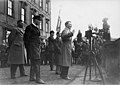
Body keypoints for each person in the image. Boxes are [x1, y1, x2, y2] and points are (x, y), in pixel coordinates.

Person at [24, 15, 46, 84]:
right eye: (39, 20)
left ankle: (32, 77)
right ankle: (38, 79)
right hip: (32, 47)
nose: (40, 22)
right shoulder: (29, 27)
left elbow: (36, 38)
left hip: (36, 47)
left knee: (34, 62)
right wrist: (29, 49)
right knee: (37, 61)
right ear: (35, 20)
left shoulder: (36, 28)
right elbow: (26, 39)